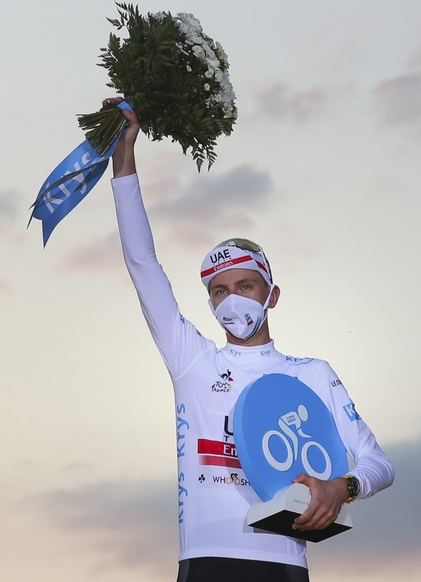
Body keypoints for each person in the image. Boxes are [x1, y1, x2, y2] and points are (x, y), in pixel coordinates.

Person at [107, 99, 394, 582]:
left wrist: (341, 488)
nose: (231, 300)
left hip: (283, 565)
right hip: (205, 561)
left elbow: (378, 463)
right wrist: (123, 158)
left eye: (245, 287)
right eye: (219, 291)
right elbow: (142, 263)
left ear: (271, 295)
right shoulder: (191, 361)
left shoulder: (312, 373)